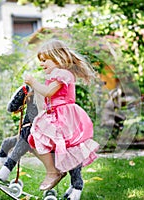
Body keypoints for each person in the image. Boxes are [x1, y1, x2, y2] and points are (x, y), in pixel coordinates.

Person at [24, 39, 100, 191]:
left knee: (38, 139)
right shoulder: (57, 75)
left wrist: (33, 82)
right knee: (34, 140)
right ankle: (55, 171)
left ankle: (54, 172)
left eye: (45, 60)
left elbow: (48, 92)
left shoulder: (62, 74)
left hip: (64, 117)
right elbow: (47, 96)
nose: (41, 64)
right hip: (54, 115)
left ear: (58, 57)